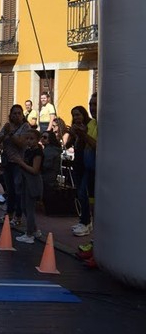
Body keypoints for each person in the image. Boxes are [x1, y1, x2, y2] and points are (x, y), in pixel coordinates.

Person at [0, 104, 28, 227]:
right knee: (10, 190)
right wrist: (4, 134)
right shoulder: (7, 126)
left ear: (23, 115)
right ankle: (9, 214)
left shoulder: (25, 127)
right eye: (14, 113)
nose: (17, 115)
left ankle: (18, 216)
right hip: (7, 162)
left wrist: (11, 135)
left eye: (19, 113)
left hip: (18, 162)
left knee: (18, 190)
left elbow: (21, 143)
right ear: (10, 115)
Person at [69, 93, 97, 237]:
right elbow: (68, 144)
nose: (76, 117)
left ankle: (87, 223)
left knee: (84, 194)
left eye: (78, 114)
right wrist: (73, 134)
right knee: (81, 194)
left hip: (91, 167)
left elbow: (96, 145)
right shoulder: (91, 124)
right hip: (80, 164)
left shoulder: (90, 124)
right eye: (91, 104)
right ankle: (84, 221)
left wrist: (82, 134)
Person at [10, 128, 43, 243]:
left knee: (29, 209)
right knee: (24, 206)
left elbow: (35, 170)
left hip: (32, 182)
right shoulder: (28, 150)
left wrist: (20, 162)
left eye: (32, 139)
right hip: (25, 181)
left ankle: (29, 234)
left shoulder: (38, 152)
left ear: (37, 140)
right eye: (27, 139)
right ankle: (34, 230)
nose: (29, 141)